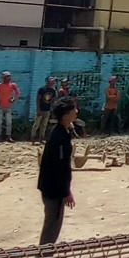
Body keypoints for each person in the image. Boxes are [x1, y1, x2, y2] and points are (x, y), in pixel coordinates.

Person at [37, 97, 78, 245]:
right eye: (74, 110)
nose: (77, 112)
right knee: (52, 226)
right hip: (53, 190)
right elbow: (60, 169)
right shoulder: (59, 137)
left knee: (53, 224)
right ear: (66, 115)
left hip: (51, 187)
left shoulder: (63, 132)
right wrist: (66, 193)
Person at [0, 71, 20, 143]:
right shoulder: (0, 85)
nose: (8, 78)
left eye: (9, 77)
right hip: (0, 106)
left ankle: (8, 136)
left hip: (8, 106)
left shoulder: (12, 85)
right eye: (6, 77)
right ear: (3, 78)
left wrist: (13, 99)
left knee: (9, 122)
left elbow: (18, 93)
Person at [30, 76, 58, 144]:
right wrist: (38, 109)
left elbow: (53, 101)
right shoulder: (42, 89)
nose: (53, 83)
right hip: (41, 109)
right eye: (52, 81)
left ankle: (41, 138)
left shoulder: (53, 91)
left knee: (44, 125)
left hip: (47, 110)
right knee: (36, 124)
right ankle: (33, 138)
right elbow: (38, 99)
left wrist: (52, 109)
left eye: (53, 82)